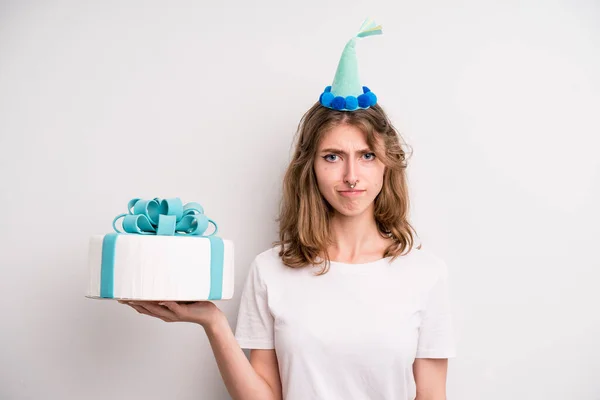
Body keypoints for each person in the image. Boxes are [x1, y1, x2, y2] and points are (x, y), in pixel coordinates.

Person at [121, 19, 456, 400]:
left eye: (365, 156)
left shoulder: (425, 274)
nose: (351, 175)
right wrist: (213, 323)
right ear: (309, 166)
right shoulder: (271, 270)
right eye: (333, 157)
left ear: (386, 163)